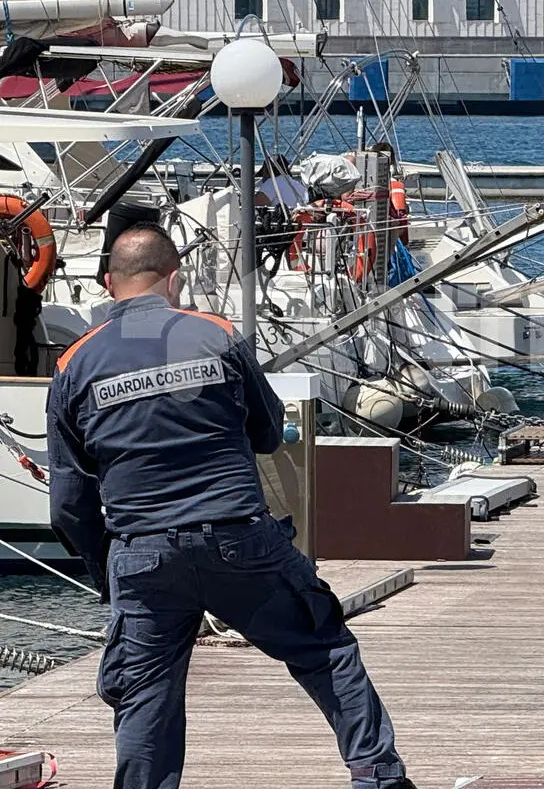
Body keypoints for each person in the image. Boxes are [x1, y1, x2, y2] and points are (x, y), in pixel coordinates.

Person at [47, 223, 413, 789]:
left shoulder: (75, 363)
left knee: (145, 699)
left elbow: (69, 503)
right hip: (238, 540)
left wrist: (110, 572)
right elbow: (268, 434)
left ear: (106, 283)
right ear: (175, 280)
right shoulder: (217, 335)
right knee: (325, 649)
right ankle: (378, 780)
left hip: (142, 554)